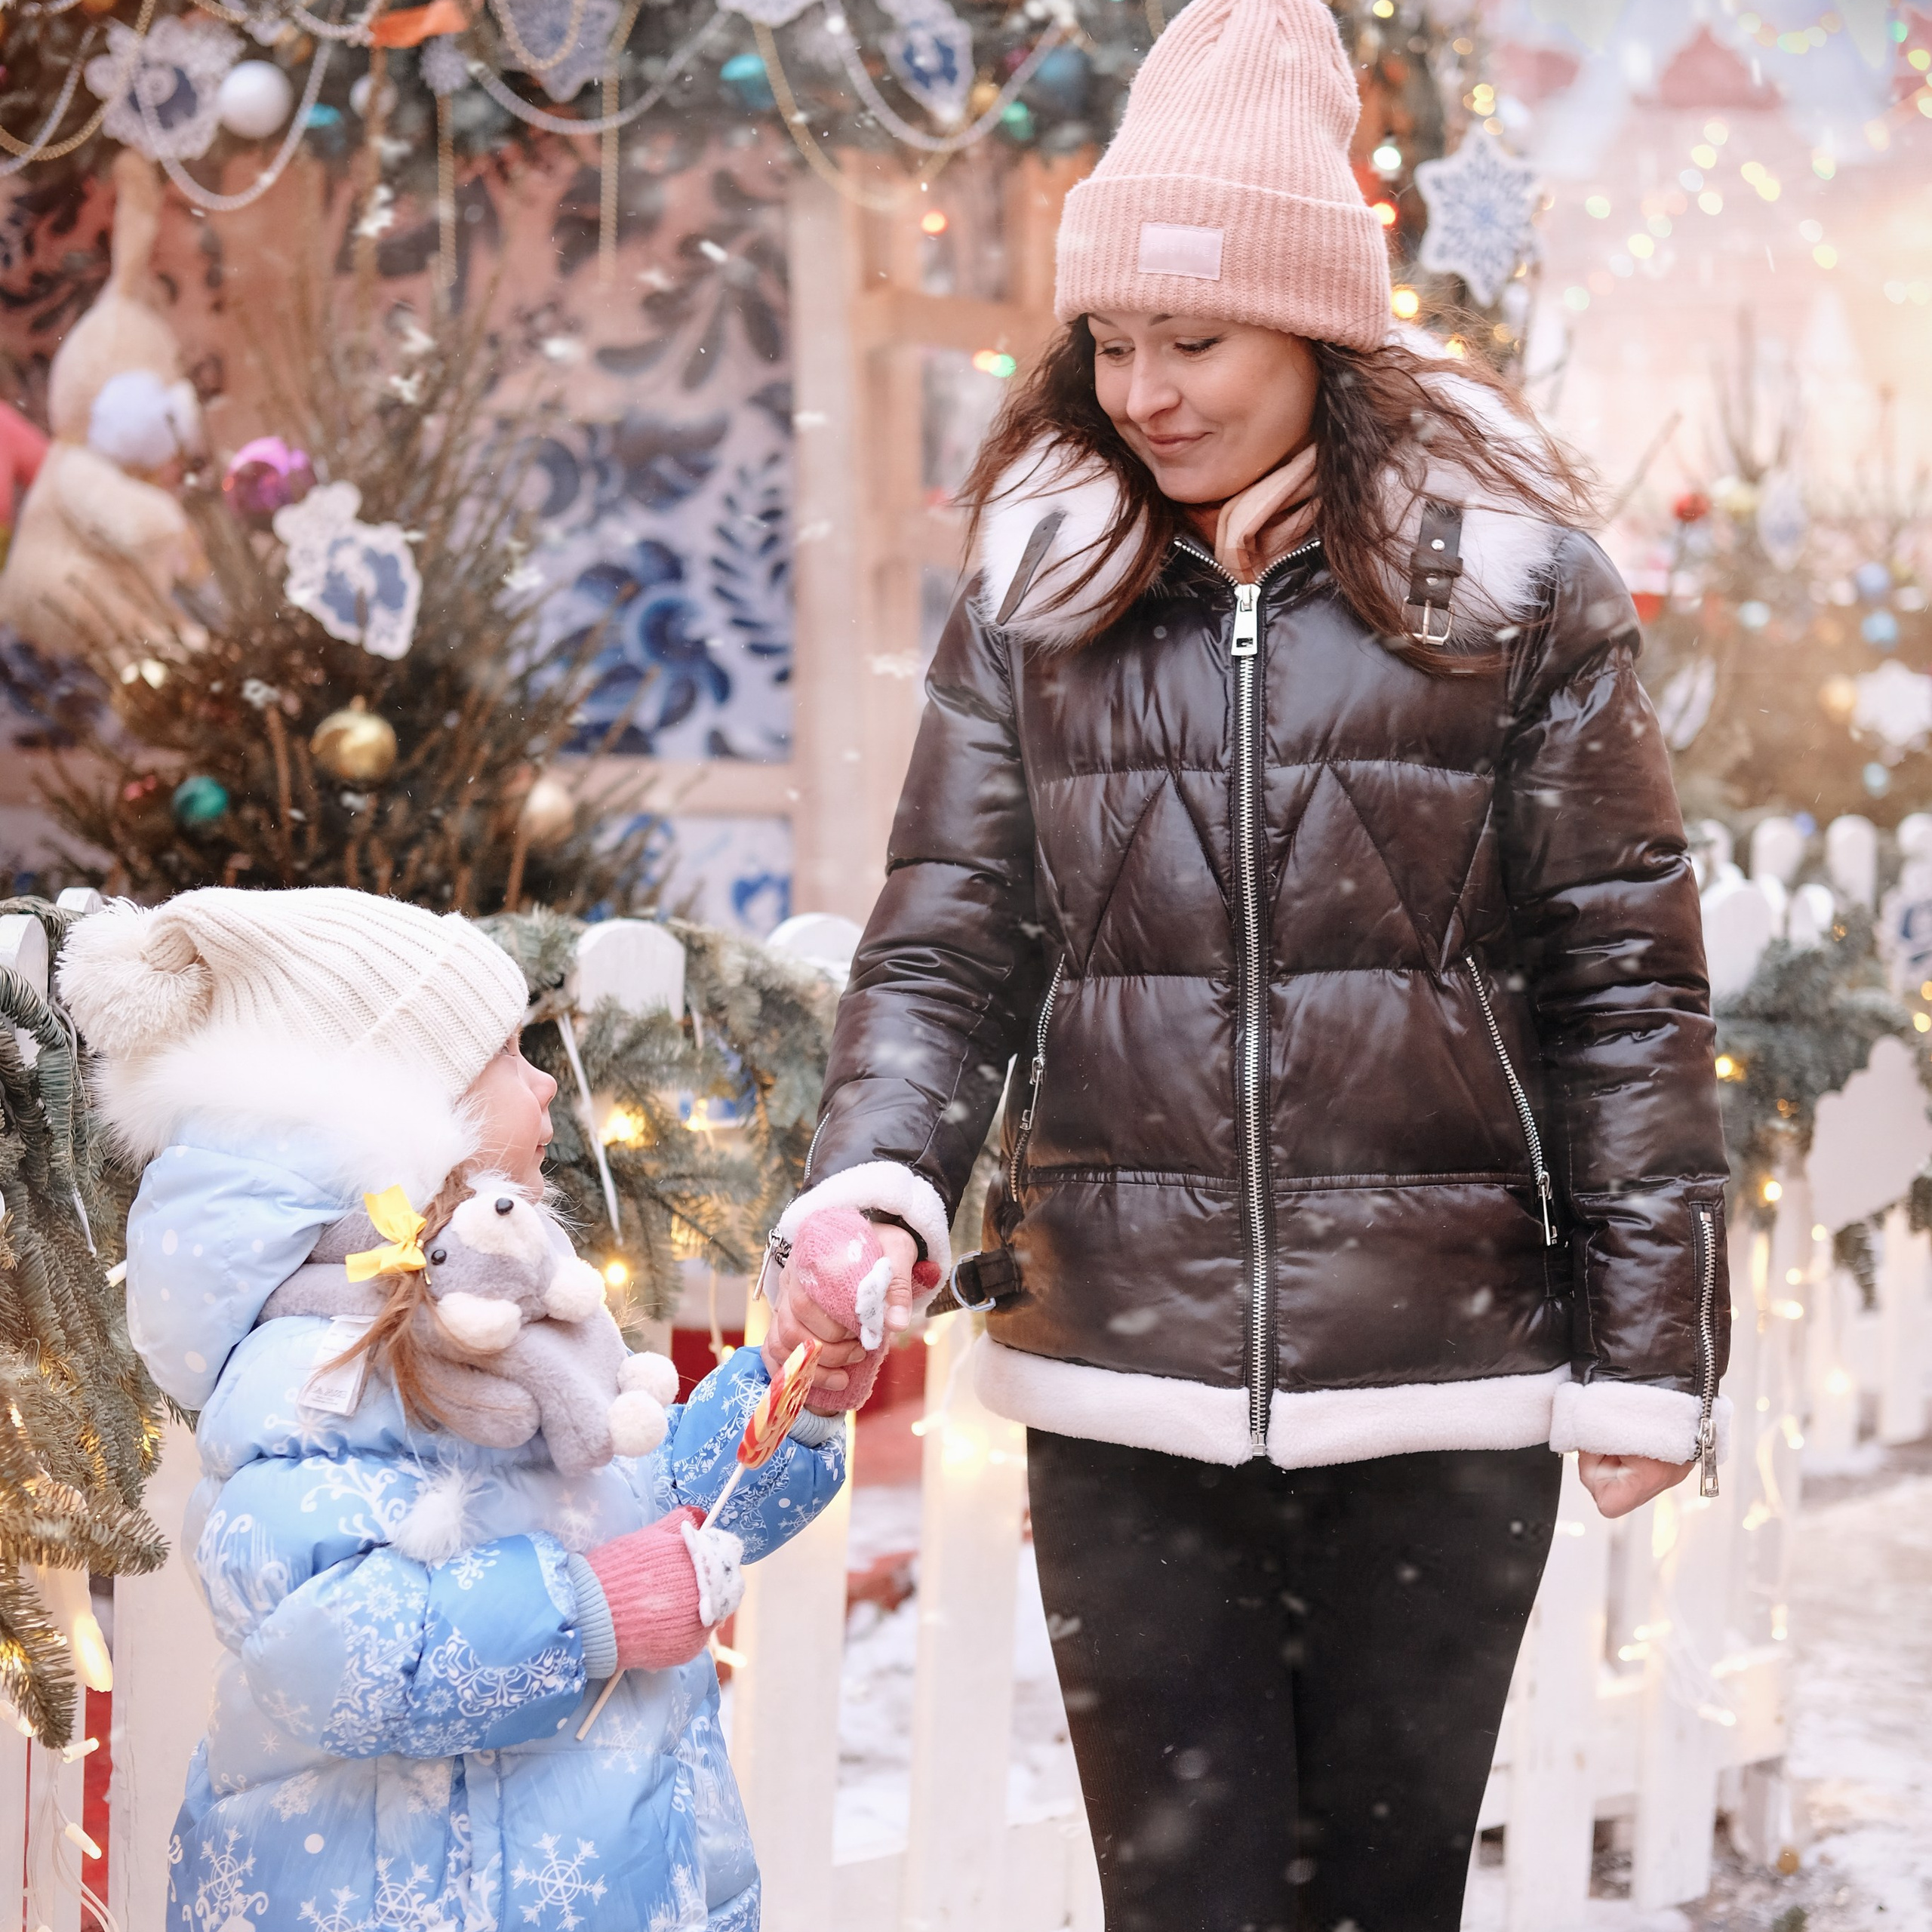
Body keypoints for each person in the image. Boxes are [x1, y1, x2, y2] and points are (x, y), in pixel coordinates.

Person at [760, 0, 1731, 1924]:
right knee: (1178, 1898)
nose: (1146, 389)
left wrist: (1648, 1346)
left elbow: (1620, 971)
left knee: (1379, 1896)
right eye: (1112, 342)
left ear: (1317, 331)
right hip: (1123, 1378)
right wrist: (877, 1171)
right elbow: (948, 930)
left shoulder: (1510, 581)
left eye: (1193, 340)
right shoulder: (1038, 585)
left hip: (1436, 1391)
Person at [60, 887, 845, 1932]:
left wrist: (787, 1402)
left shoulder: (512, 1326)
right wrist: (592, 1610)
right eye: (513, 1054)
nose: (547, 1080)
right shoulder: (318, 1367)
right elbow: (328, 1652)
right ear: (400, 1116)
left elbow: (651, 1512)